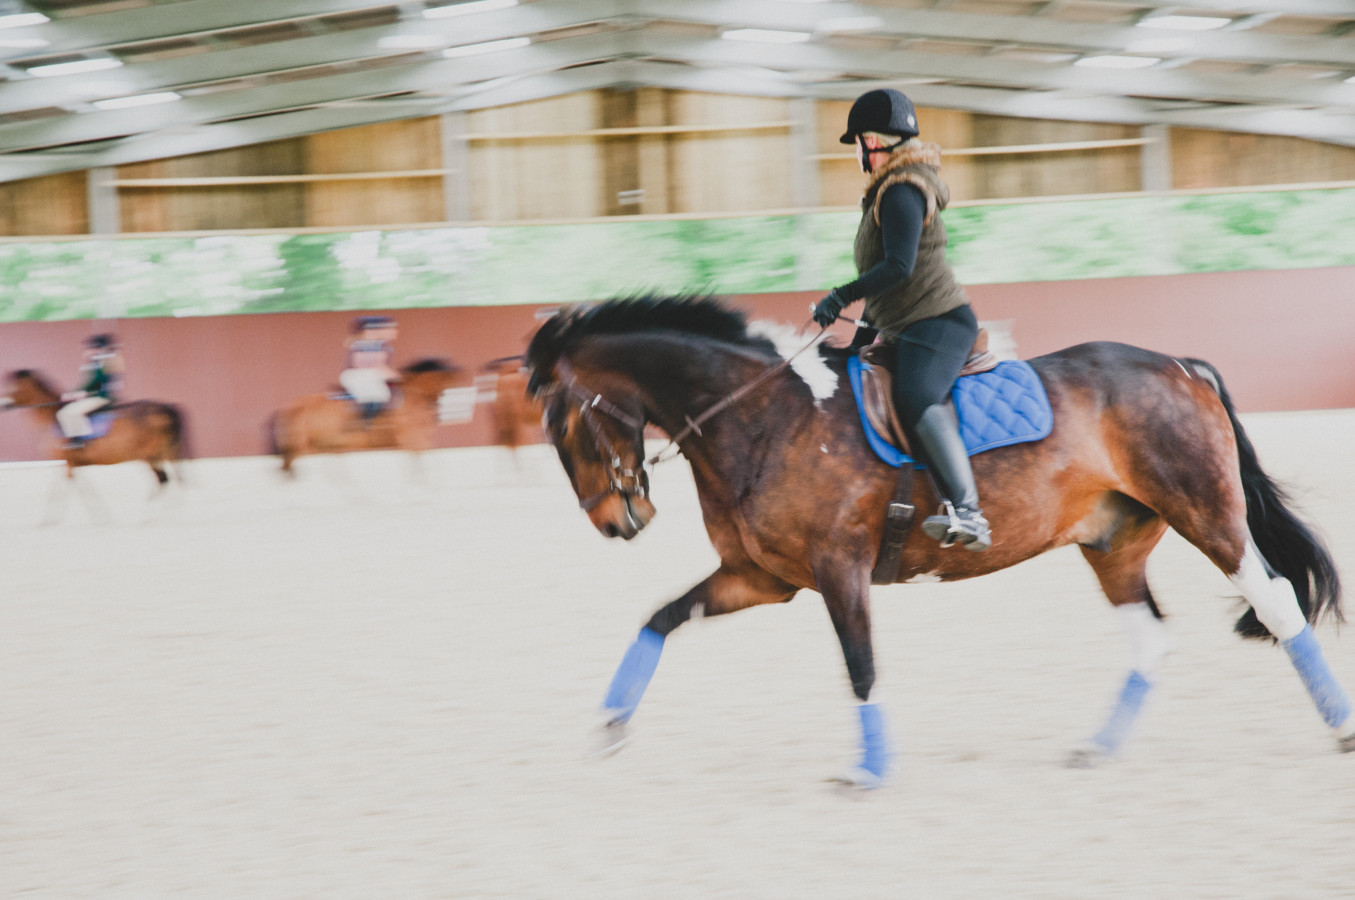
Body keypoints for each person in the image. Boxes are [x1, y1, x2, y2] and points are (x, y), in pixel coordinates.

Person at [812, 88, 991, 551]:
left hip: (939, 322)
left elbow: (898, 268)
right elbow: (886, 289)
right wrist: (858, 343)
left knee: (916, 396)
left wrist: (840, 296)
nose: (857, 153)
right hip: (905, 323)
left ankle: (968, 512)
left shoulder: (901, 191)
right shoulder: (886, 191)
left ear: (872, 142)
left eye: (857, 143)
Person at [57, 333, 123, 449]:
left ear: (99, 349)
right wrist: (73, 393)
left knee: (67, 413)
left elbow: (94, 383)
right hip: (96, 396)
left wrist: (82, 393)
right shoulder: (98, 362)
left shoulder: (105, 362)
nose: (87, 351)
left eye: (90, 348)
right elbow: (88, 384)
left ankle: (80, 443)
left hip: (102, 397)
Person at [340, 315, 399, 421]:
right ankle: (368, 419)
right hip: (358, 375)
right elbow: (360, 363)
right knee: (377, 391)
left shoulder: (383, 345)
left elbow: (383, 365)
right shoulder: (359, 344)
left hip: (374, 374)